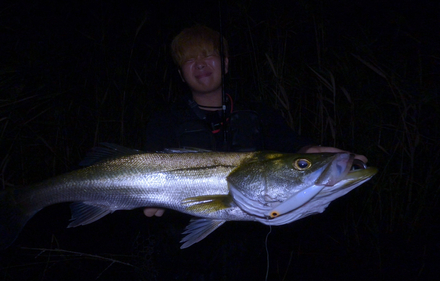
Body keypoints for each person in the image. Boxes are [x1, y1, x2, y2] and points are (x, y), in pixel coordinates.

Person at [143, 25, 367, 217]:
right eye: (190, 60)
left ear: (226, 64)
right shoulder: (164, 120)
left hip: (251, 245)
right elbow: (148, 165)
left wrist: (309, 151)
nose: (200, 64)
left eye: (208, 55)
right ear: (182, 75)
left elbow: (287, 142)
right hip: (181, 244)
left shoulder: (259, 113)